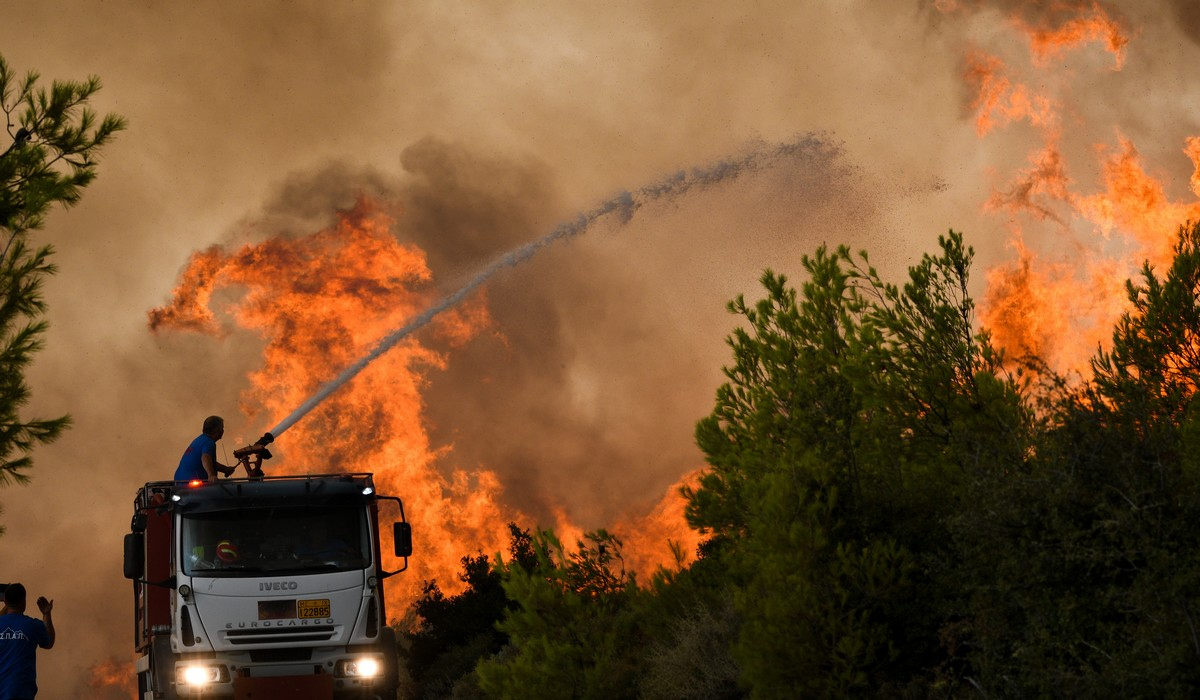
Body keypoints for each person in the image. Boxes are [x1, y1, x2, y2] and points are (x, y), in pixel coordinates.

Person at [0, 583, 55, 699]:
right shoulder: (33, 626)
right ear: (24, 602)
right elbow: (48, 642)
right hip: (21, 693)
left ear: (5, 601)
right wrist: (46, 614)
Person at [174, 415, 237, 482]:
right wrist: (211, 475)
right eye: (222, 428)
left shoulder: (200, 439)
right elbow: (205, 457)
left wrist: (225, 469)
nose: (223, 431)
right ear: (217, 430)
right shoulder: (209, 442)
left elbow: (209, 462)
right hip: (190, 484)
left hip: (179, 481)